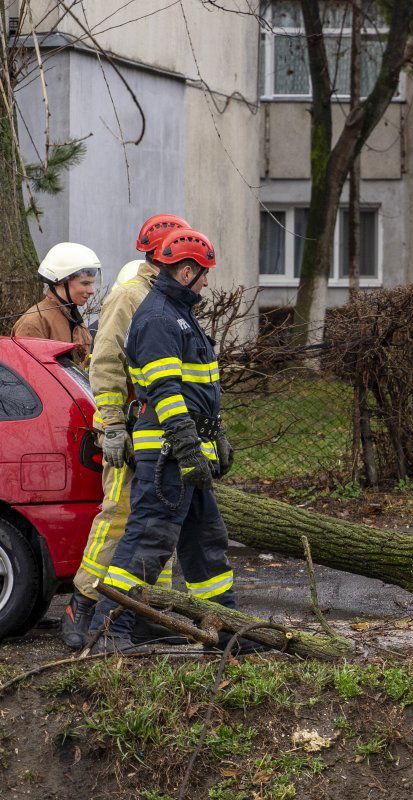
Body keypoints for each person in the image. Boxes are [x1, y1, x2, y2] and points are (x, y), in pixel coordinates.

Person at [85, 228, 249, 654]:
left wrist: (216, 435)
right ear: (187, 270)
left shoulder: (178, 312)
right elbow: (166, 392)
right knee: (147, 541)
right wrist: (188, 445)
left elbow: (199, 392)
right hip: (168, 456)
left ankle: (226, 630)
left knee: (206, 545)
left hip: (184, 454)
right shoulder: (159, 318)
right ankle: (109, 630)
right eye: (205, 273)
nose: (209, 282)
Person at [59, 214, 190, 649]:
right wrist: (113, 426)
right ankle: (83, 602)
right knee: (118, 514)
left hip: (163, 429)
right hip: (132, 429)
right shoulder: (129, 296)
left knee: (161, 522)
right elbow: (107, 363)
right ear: (160, 253)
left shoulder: (170, 297)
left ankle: (152, 609)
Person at [12, 243, 101, 363]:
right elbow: (29, 373)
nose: (92, 291)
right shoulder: (35, 322)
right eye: (85, 283)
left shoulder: (73, 318)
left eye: (92, 283)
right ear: (61, 281)